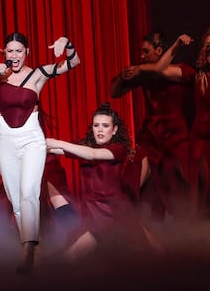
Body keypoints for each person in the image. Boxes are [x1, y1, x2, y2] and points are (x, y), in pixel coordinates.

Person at [0, 32, 80, 274]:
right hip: (7, 141)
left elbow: (73, 63)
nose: (15, 55)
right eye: (10, 51)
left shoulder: (37, 74)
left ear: (27, 52)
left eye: (19, 50)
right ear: (4, 54)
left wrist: (68, 45)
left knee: (29, 192)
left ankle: (27, 253)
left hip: (31, 138)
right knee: (16, 199)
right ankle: (33, 249)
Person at [141, 24, 210, 218]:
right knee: (205, 193)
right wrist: (176, 45)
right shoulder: (195, 76)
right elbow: (159, 70)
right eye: (208, 45)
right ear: (204, 50)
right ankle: (208, 238)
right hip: (202, 141)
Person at [47, 103, 154, 262]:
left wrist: (56, 142)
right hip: (93, 213)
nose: (100, 130)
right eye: (96, 125)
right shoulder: (84, 147)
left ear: (114, 129)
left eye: (105, 126)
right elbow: (61, 150)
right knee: (71, 257)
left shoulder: (119, 148)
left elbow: (92, 155)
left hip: (115, 212)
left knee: (148, 256)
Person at [110, 30, 192, 221]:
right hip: (150, 136)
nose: (141, 56)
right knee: (132, 178)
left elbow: (161, 70)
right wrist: (123, 76)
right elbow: (114, 93)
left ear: (160, 50)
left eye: (146, 51)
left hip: (175, 138)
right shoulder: (144, 74)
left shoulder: (178, 70)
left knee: (182, 186)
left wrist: (139, 69)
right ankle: (125, 226)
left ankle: (190, 228)